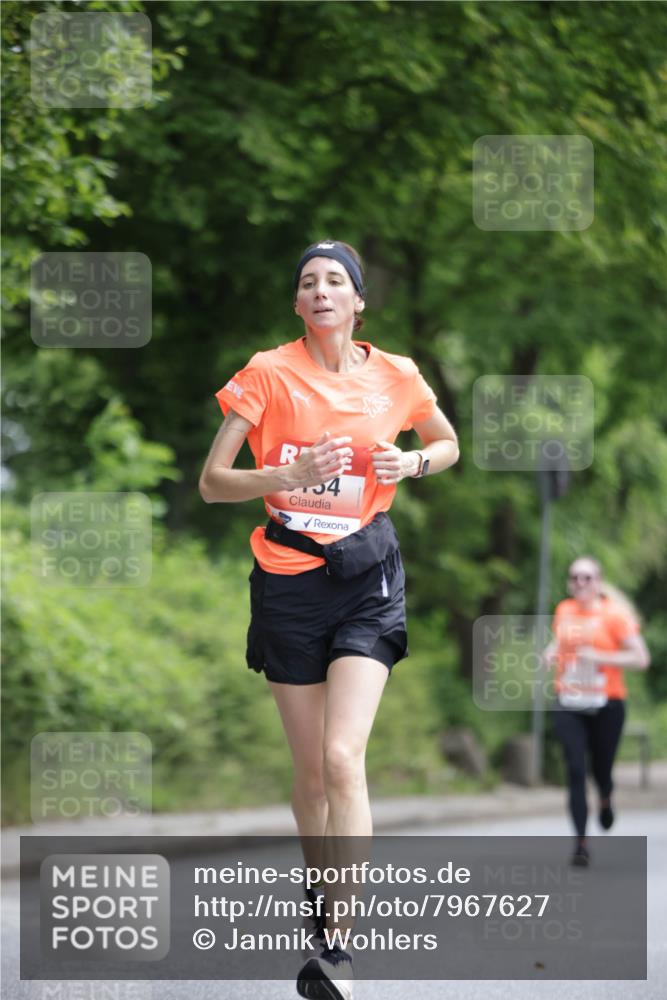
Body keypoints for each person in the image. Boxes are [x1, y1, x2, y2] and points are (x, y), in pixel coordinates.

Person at [199, 239, 459, 999]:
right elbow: (213, 482)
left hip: (367, 578)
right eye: (308, 282)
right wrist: (286, 473)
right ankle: (323, 900)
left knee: (344, 758)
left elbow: (446, 443)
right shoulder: (266, 372)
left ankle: (338, 949)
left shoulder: (397, 375)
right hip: (288, 584)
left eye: (335, 280)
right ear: (297, 303)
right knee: (312, 773)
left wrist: (410, 463)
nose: (320, 290)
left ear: (357, 301)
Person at [542, 556, 650, 867]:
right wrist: (551, 652)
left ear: (598, 581)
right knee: (576, 769)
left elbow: (641, 659)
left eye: (587, 577)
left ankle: (605, 796)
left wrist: (600, 656)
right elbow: (560, 642)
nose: (580, 583)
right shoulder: (564, 610)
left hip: (607, 703)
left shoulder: (615, 615)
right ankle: (581, 844)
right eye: (575, 577)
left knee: (601, 769)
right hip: (569, 701)